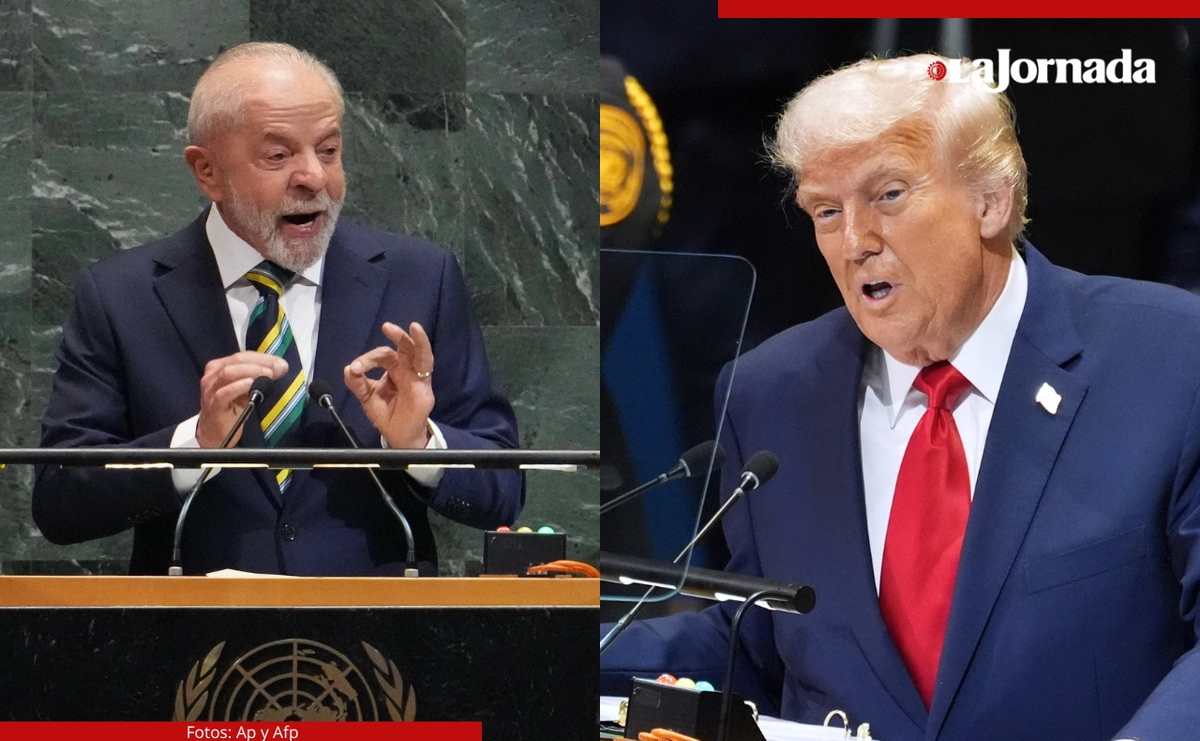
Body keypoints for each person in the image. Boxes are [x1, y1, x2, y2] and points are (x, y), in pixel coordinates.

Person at [600, 54, 1200, 741]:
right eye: (827, 211)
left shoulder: (1168, 359)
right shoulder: (774, 393)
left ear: (991, 200)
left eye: (888, 195)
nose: (855, 242)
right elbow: (761, 639)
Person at [30, 42, 523, 576]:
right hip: (194, 625)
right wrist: (196, 443)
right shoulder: (119, 295)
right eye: (278, 156)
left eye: (328, 150)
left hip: (379, 625)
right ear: (207, 171)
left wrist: (417, 443)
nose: (314, 177)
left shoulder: (422, 278)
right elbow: (60, 501)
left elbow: (504, 489)